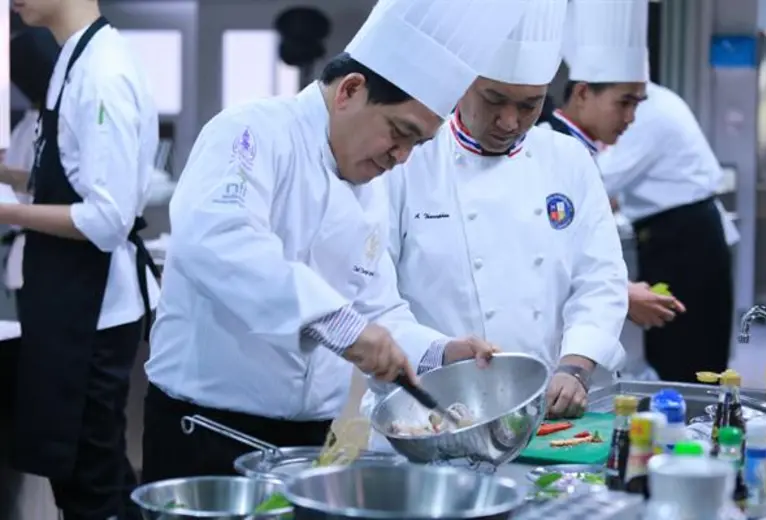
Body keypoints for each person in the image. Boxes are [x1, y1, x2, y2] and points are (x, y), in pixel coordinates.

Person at [141, 0, 528, 483]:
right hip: (209, 432)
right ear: (350, 90)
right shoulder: (252, 131)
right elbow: (215, 238)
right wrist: (342, 326)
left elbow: (376, 309)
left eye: (417, 145)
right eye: (399, 133)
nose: (401, 157)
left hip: (311, 442)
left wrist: (442, 352)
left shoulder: (372, 184)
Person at [360, 0, 632, 453]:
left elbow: (601, 279)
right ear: (462, 83)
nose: (510, 122)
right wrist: (443, 353)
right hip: (425, 413)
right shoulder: (408, 160)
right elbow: (372, 299)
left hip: (539, 417)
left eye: (530, 105)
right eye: (494, 100)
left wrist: (576, 366)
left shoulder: (567, 160)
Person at [5, 0, 161, 518]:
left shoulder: (103, 73)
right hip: (68, 300)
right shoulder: (76, 60)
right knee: (78, 473)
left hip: (93, 310)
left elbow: (106, 219)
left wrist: (7, 211)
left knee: (91, 482)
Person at [536, 0, 686, 378]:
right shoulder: (546, 149)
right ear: (583, 93)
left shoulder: (584, 152)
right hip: (546, 353)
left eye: (638, 104)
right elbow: (539, 258)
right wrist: (622, 295)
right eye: (624, 102)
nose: (632, 118)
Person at [597, 81, 739, 383]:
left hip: (685, 240)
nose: (626, 116)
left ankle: (691, 425)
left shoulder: (646, 111)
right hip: (678, 233)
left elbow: (600, 182)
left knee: (689, 354)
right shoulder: (652, 101)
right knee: (676, 348)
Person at [3, 28, 60, 307]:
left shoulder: (55, 125)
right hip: (25, 252)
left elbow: (51, 185)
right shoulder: (27, 123)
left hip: (45, 254)